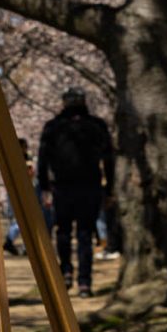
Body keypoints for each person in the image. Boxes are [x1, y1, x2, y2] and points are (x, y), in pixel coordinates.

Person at [35, 89, 114, 295]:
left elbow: (43, 160)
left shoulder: (53, 127)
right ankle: (84, 282)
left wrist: (44, 187)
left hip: (63, 186)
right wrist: (110, 187)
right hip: (89, 186)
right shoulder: (96, 126)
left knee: (63, 232)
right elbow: (109, 159)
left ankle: (66, 271)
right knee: (85, 235)